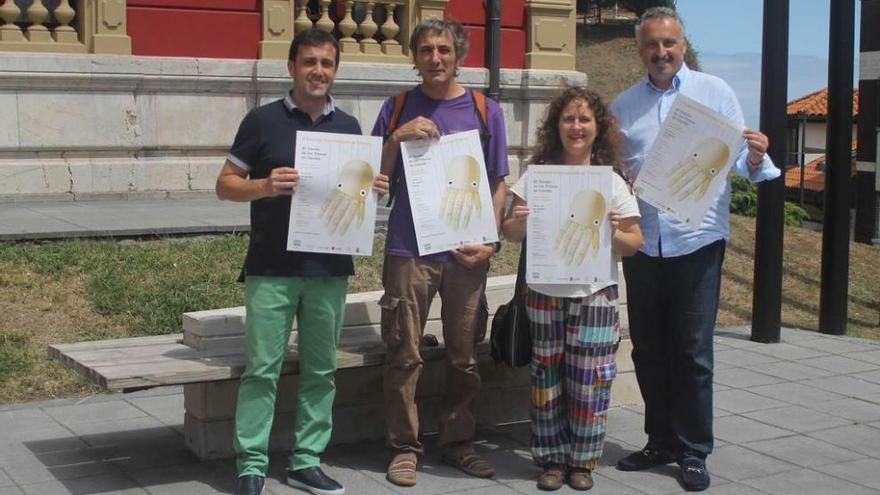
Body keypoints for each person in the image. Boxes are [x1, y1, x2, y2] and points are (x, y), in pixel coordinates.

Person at [610, 7, 779, 492]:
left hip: (697, 239)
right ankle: (659, 440)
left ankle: (693, 449)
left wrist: (755, 155)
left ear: (683, 45)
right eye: (651, 45)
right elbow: (617, 173)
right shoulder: (624, 106)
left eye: (669, 44)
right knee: (648, 349)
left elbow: (741, 166)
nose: (661, 53)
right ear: (639, 48)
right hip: (644, 245)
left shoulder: (715, 94)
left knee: (692, 351)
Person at [216, 29, 389, 495]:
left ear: (335, 70)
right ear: (291, 67)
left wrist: (371, 192)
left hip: (328, 269)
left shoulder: (350, 128)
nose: (318, 71)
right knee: (261, 370)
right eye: (309, 61)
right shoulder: (261, 121)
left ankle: (306, 461)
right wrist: (264, 186)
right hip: (270, 267)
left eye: (327, 63)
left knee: (321, 371)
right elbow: (225, 184)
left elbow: (353, 195)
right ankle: (251, 464)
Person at [370, 17, 509, 488]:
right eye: (426, 50)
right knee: (404, 353)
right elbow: (371, 180)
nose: (435, 58)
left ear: (458, 55)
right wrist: (395, 139)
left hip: (466, 252)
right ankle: (404, 449)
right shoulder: (396, 108)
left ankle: (457, 443)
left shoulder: (486, 109)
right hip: (409, 249)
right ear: (413, 58)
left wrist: (489, 242)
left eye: (444, 50)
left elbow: (498, 182)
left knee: (464, 354)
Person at [501, 86, 643, 491]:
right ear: (556, 127)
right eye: (568, 119)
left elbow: (635, 243)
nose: (576, 127)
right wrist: (522, 221)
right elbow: (509, 230)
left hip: (594, 294)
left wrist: (616, 233)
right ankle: (550, 460)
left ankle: (582, 461)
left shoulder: (611, 182)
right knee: (546, 379)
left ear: (598, 127)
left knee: (591, 381)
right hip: (545, 293)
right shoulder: (538, 176)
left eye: (584, 119)